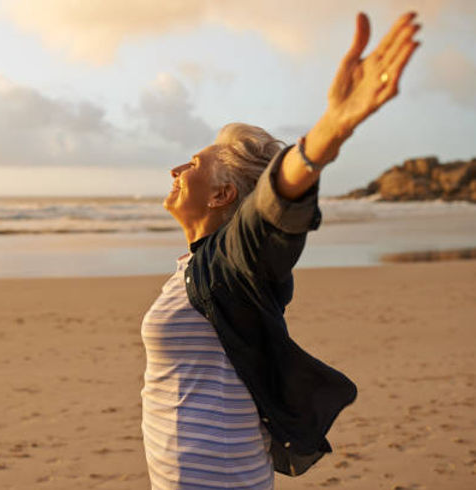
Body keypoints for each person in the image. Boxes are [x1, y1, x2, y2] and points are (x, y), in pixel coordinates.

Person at [140, 12, 421, 489]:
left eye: (191, 164)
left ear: (222, 195)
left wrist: (330, 129)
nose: (175, 169)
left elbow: (274, 206)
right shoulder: (196, 270)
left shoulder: (235, 263)